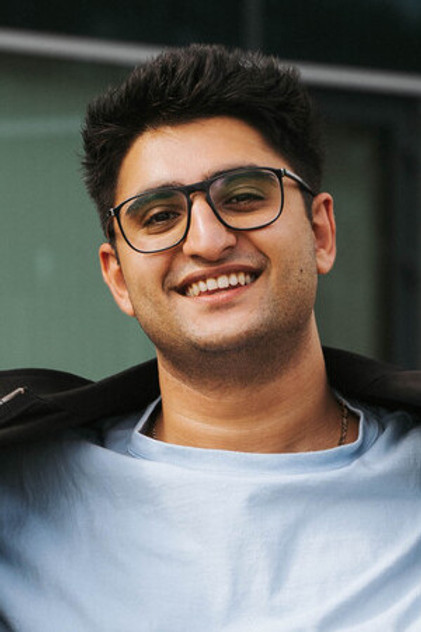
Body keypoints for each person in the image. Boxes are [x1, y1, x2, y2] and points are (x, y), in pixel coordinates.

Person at [1, 44, 421, 631]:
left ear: (321, 232)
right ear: (118, 278)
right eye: (159, 216)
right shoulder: (18, 501)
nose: (207, 240)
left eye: (244, 196)